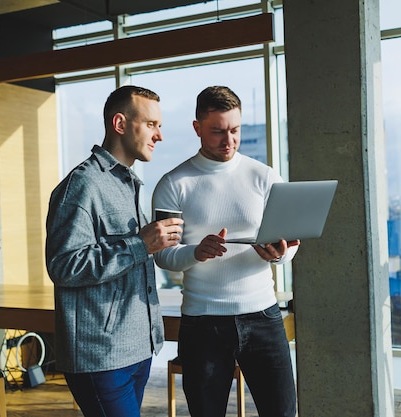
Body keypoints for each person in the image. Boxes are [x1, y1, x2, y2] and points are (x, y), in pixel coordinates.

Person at [152, 86, 299, 417]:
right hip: (203, 322)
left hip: (263, 316)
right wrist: (196, 253)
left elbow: (288, 248)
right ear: (197, 128)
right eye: (218, 131)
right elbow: (162, 255)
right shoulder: (174, 184)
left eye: (235, 130)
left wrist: (279, 254)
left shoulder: (264, 177)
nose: (228, 140)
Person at [45, 85, 183, 417]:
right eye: (151, 124)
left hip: (138, 348)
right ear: (120, 124)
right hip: (101, 356)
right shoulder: (82, 186)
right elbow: (63, 266)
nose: (159, 135)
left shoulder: (129, 184)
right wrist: (140, 244)